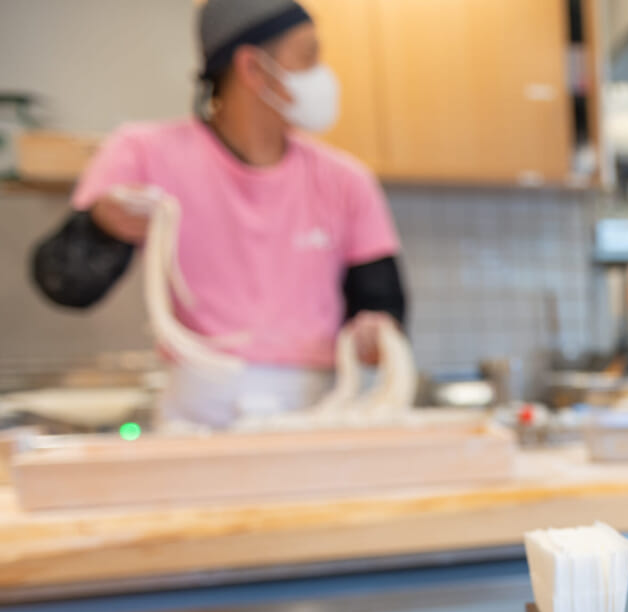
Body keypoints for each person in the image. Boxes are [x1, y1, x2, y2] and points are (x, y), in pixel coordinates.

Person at [29, 0, 406, 428]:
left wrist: (377, 333)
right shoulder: (144, 153)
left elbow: (383, 304)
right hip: (197, 409)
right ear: (252, 69)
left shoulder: (346, 179)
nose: (322, 74)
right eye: (307, 57)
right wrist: (102, 227)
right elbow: (64, 282)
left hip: (316, 406)